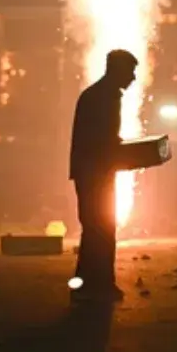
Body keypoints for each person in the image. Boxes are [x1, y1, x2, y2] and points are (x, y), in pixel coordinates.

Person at [70, 49, 138, 302]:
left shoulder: (97, 94)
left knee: (95, 227)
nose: (133, 78)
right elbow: (102, 141)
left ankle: (89, 283)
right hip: (95, 172)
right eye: (130, 71)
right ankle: (100, 284)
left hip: (91, 171)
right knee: (102, 226)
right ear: (117, 70)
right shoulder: (105, 97)